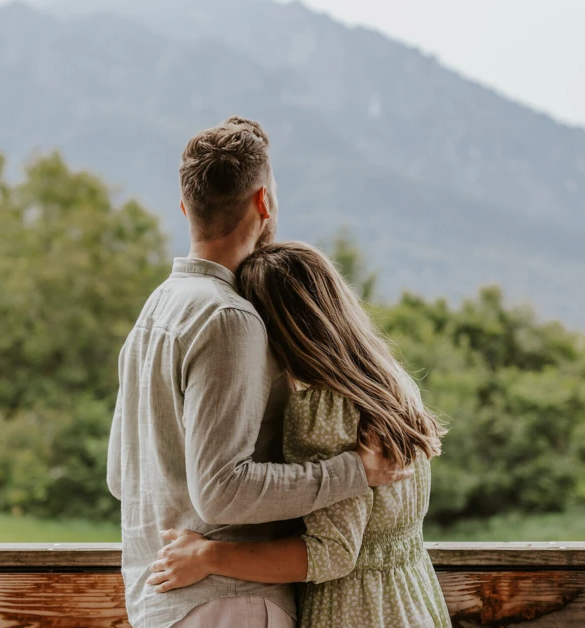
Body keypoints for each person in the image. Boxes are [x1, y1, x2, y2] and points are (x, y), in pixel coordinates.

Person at [106, 117, 412, 628]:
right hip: (229, 605)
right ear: (264, 202)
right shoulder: (229, 319)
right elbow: (221, 490)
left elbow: (121, 475)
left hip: (158, 603)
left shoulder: (155, 311)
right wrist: (353, 473)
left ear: (186, 209)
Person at [145, 241, 454, 628]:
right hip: (411, 603)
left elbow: (332, 554)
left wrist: (209, 556)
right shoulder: (392, 383)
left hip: (355, 615)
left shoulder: (325, 408)